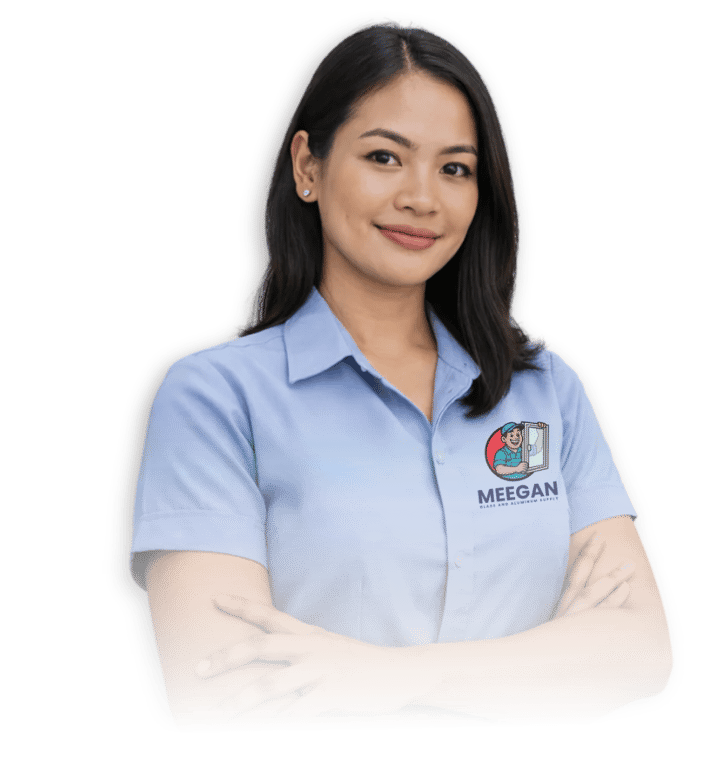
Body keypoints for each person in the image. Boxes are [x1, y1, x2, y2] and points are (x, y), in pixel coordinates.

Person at [130, 16, 674, 730]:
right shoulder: (212, 398)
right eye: (385, 157)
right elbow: (221, 703)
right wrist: (543, 679)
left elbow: (640, 653)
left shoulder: (544, 387)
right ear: (307, 167)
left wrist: (384, 676)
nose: (423, 197)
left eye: (455, 168)